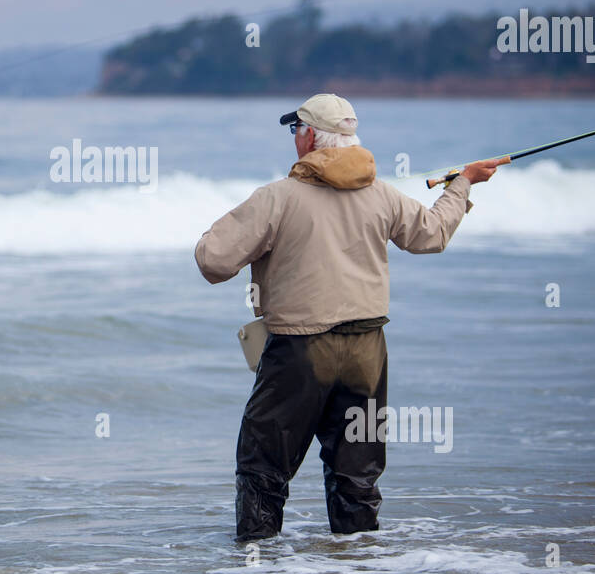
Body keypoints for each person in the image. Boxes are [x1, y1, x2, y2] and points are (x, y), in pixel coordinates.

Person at [194, 93, 508, 541]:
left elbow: (213, 262)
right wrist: (463, 184)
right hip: (367, 352)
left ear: (308, 138)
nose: (294, 138)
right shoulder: (381, 195)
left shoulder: (277, 198)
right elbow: (432, 235)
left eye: (294, 129)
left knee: (263, 468)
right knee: (356, 474)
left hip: (300, 353)